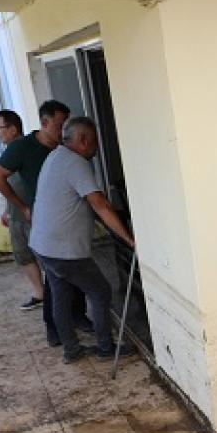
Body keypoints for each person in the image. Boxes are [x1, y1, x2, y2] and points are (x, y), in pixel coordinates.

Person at [30, 117, 136, 363]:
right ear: (83, 140)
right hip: (63, 250)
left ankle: (71, 350)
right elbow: (99, 204)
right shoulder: (77, 163)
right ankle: (106, 348)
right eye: (95, 142)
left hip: (44, 245)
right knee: (100, 292)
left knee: (61, 296)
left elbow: (80, 203)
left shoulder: (56, 156)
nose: (97, 148)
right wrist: (129, 239)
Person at [0, 100, 88, 346]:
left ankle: (78, 317)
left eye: (66, 125)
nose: (63, 131)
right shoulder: (23, 147)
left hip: (70, 219)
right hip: (44, 223)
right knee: (55, 279)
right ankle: (53, 329)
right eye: (59, 125)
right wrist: (21, 207)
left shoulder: (66, 148)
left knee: (76, 269)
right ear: (44, 123)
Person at [0, 109, 44, 310]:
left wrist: (24, 207)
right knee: (23, 256)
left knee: (45, 257)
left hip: (32, 215)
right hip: (16, 216)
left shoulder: (27, 151)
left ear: (13, 129)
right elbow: (9, 186)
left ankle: (58, 295)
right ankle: (40, 293)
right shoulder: (7, 153)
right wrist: (7, 209)